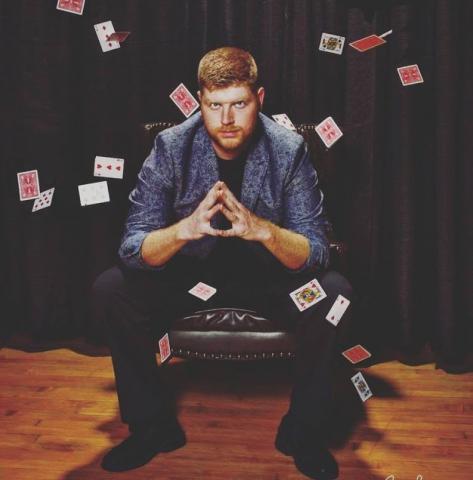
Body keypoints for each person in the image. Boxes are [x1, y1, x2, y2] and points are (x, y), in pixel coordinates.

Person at [92, 46, 352, 480]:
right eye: (215, 105)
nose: (227, 119)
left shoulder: (288, 149)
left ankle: (305, 431)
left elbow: (317, 251)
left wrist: (262, 230)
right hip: (191, 279)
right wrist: (184, 230)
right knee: (111, 288)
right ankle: (151, 427)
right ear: (199, 101)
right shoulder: (171, 146)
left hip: (268, 281)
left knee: (334, 293)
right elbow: (132, 248)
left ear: (259, 99)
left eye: (239, 104)